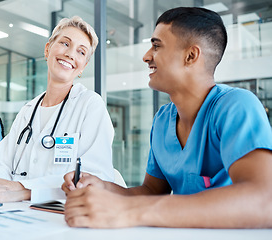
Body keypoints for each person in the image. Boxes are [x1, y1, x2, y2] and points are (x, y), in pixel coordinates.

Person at [62, 7, 272, 228]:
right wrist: (103, 188)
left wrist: (130, 211)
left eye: (156, 46)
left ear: (190, 55)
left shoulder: (236, 106)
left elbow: (264, 200)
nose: (146, 56)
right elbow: (151, 191)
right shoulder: (163, 119)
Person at [0, 16, 115, 202]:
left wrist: (26, 190)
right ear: (47, 48)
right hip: (15, 212)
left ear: (83, 67)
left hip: (59, 216)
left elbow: (96, 178)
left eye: (81, 52)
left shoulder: (90, 105)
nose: (71, 54)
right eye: (65, 43)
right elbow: (0, 163)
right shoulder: (28, 111)